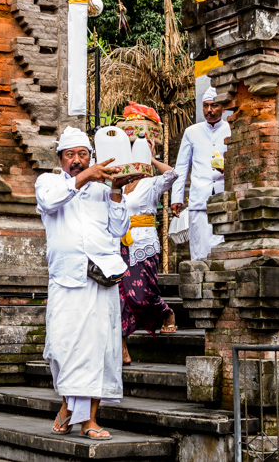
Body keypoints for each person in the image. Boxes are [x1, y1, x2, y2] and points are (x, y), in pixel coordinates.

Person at [35, 126, 145, 440]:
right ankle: (69, 404)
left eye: (83, 155)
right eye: (70, 155)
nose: (77, 160)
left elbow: (118, 228)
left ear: (91, 156)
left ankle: (89, 420)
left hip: (101, 279)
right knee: (63, 348)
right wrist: (86, 177)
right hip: (66, 278)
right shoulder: (49, 182)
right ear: (60, 158)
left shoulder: (102, 188)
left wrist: (116, 191)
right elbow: (50, 202)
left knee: (99, 350)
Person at [119, 135, 178, 365]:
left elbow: (173, 174)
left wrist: (152, 159)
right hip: (121, 245)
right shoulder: (120, 184)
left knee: (143, 296)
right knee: (120, 297)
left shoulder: (151, 183)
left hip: (144, 244)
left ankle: (166, 312)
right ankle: (123, 348)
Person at [171, 86, 231, 261]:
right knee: (199, 251)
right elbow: (181, 167)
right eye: (206, 106)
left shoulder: (231, 129)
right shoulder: (192, 132)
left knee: (223, 249)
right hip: (199, 199)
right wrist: (177, 197)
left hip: (224, 197)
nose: (209, 110)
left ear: (223, 107)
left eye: (214, 106)